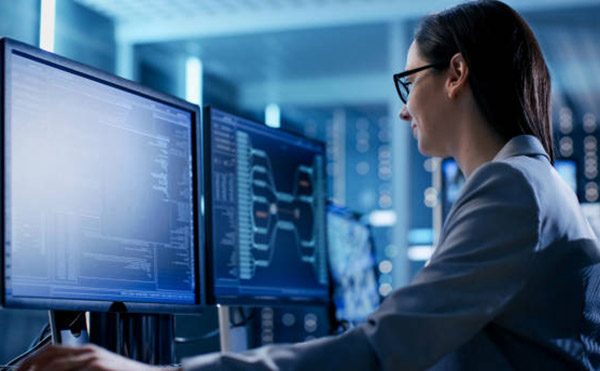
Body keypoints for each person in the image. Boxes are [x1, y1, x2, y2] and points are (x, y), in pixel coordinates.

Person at [17, 0, 600, 370]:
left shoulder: (512, 190)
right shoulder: (526, 183)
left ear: (455, 74)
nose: (404, 111)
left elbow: (382, 350)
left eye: (408, 82)